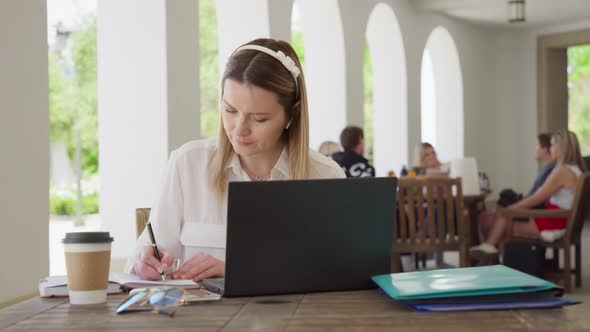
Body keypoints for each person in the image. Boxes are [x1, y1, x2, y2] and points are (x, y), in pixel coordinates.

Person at [129, 38, 346, 281]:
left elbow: (338, 276)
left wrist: (240, 271)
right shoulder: (186, 165)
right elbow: (146, 255)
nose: (239, 130)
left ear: (291, 116)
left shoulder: (326, 177)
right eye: (230, 110)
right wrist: (143, 261)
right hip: (200, 319)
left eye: (259, 118)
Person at [470, 130, 587, 257]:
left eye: (553, 145)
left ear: (562, 147)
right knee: (503, 219)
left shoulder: (562, 171)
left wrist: (512, 209)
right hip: (562, 219)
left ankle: (492, 253)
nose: (550, 148)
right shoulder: (576, 170)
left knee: (502, 220)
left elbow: (537, 198)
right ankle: (492, 252)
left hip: (555, 220)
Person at [477, 133, 555, 249]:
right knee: (492, 211)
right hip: (531, 209)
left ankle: (488, 258)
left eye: (537, 146)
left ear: (544, 149)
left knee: (486, 218)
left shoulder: (550, 171)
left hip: (532, 213)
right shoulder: (547, 170)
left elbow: (537, 199)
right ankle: (491, 257)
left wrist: (514, 206)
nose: (535, 149)